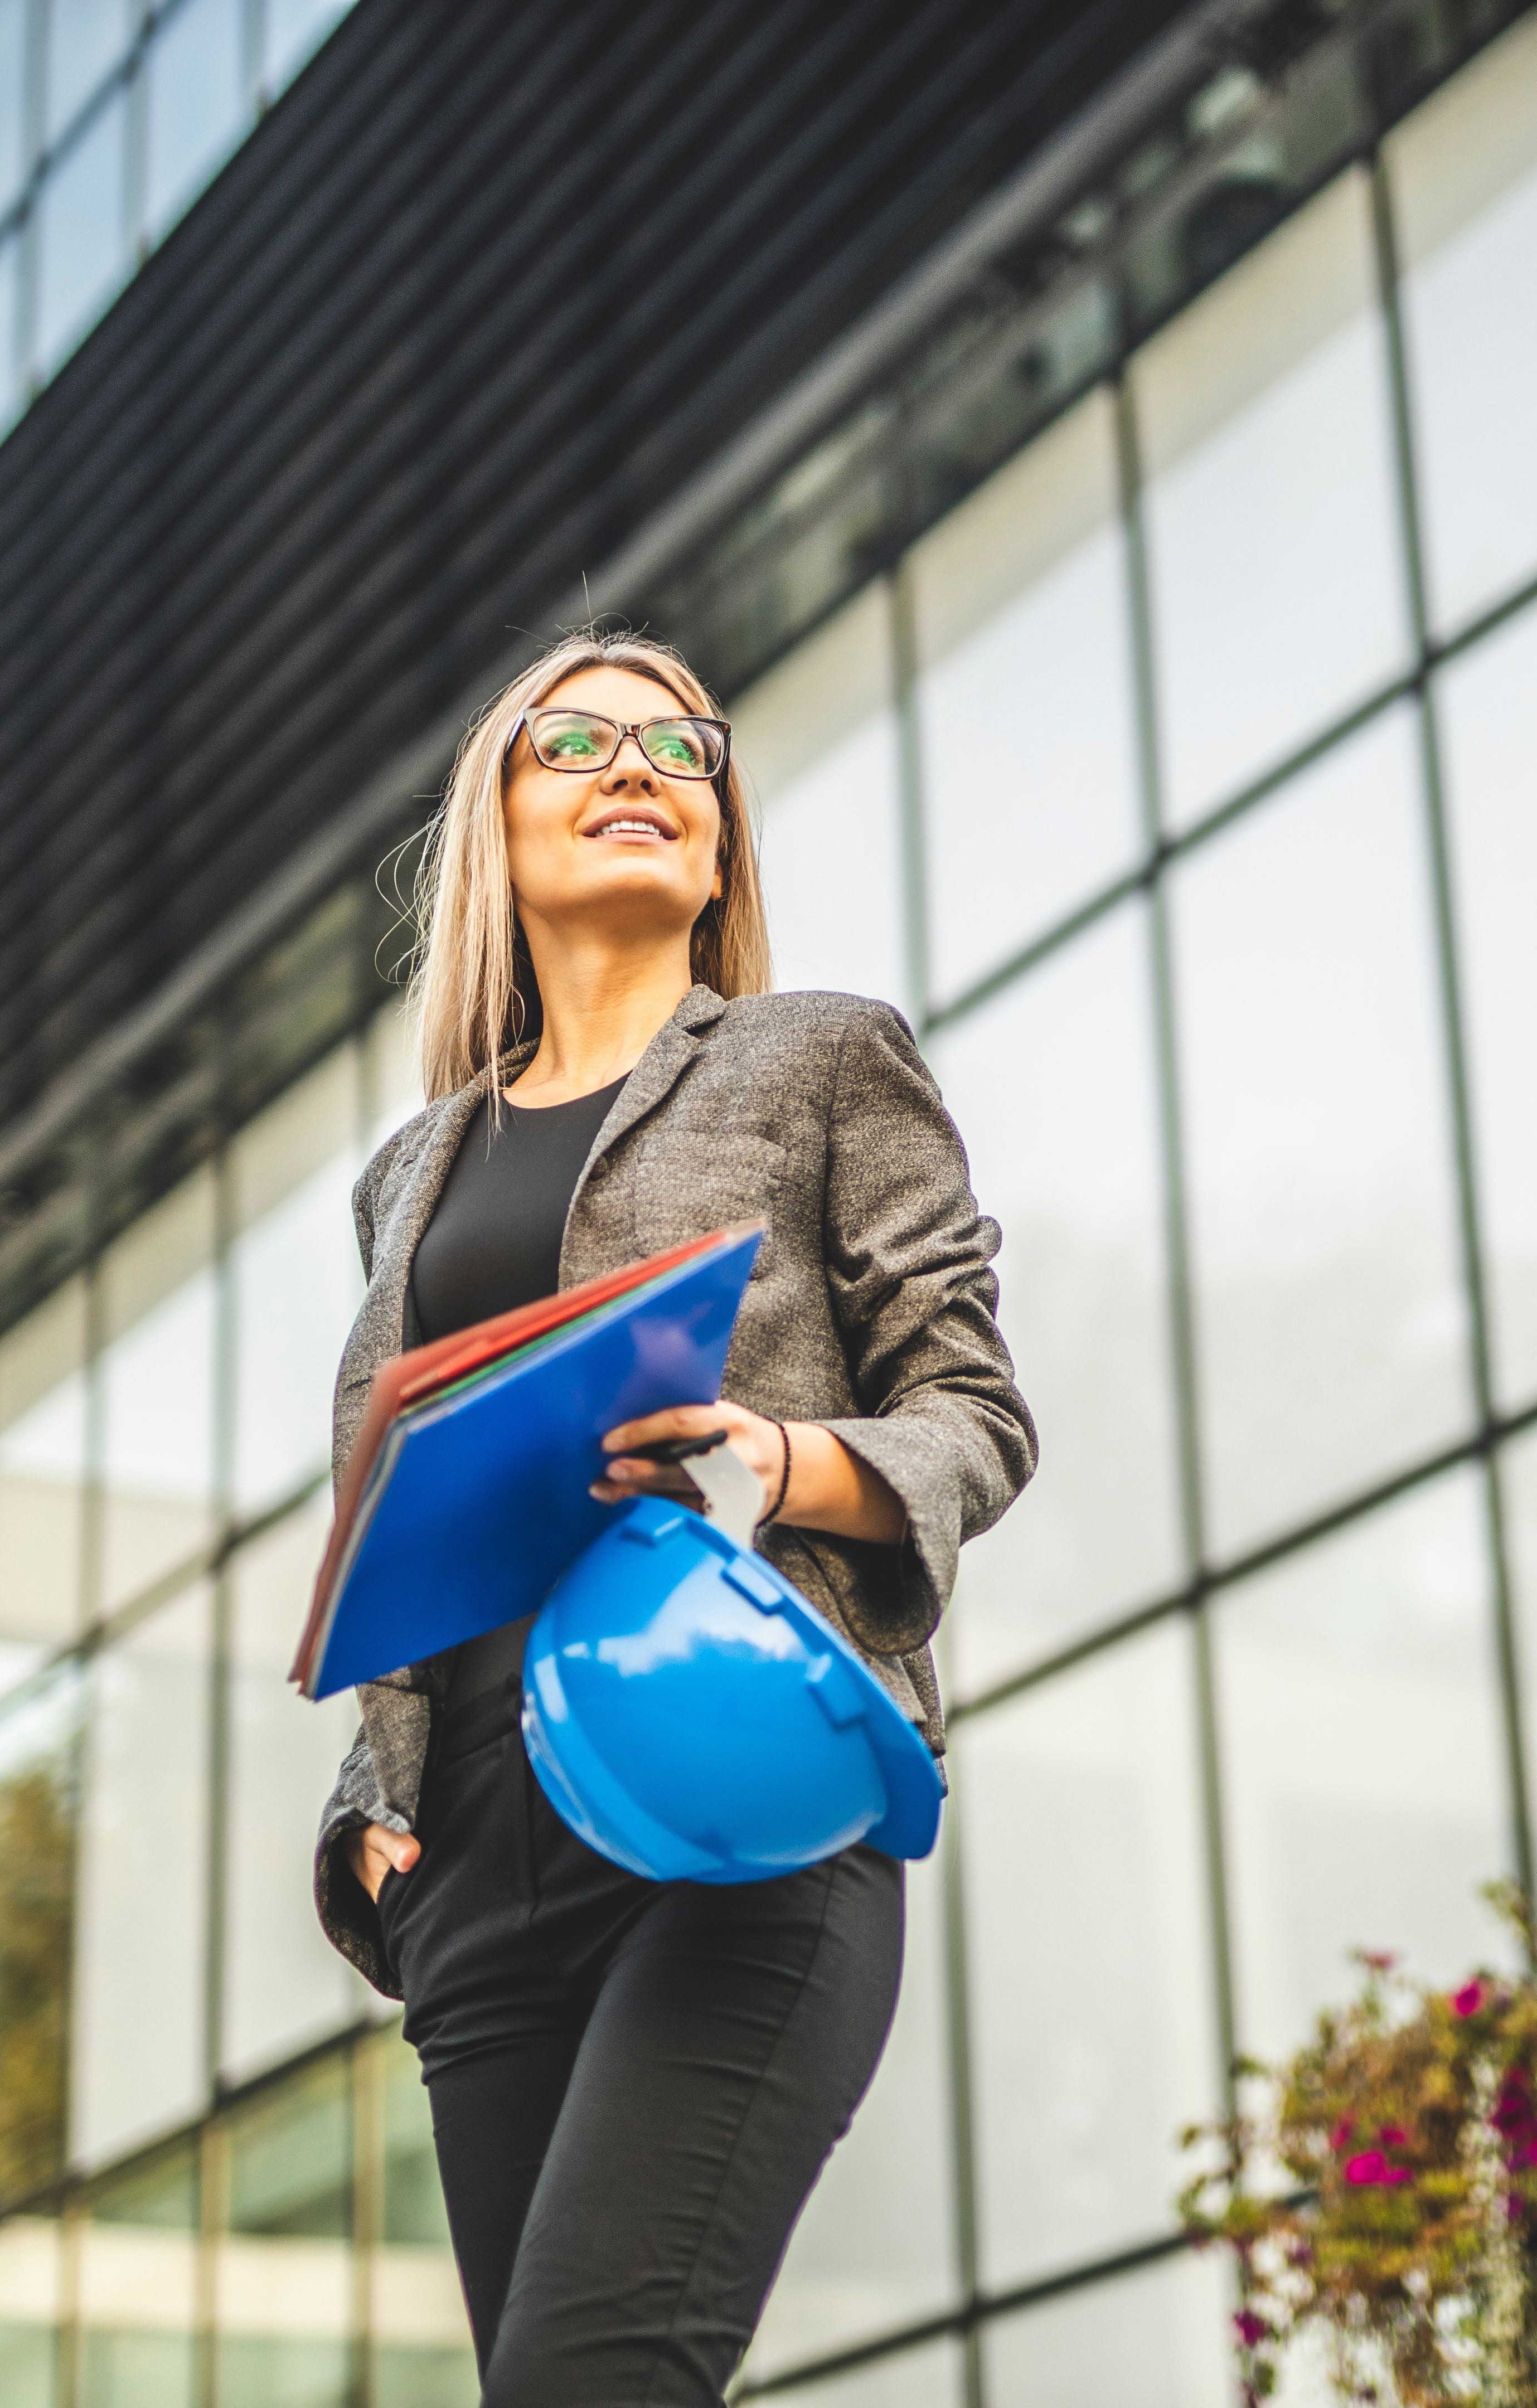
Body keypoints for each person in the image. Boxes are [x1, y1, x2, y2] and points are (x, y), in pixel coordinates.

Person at [308, 626, 1033, 2402]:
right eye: (579, 742)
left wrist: (773, 1461)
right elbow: (415, 1519)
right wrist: (373, 1817)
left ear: (718, 843)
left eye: (679, 748)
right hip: (474, 1859)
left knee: (595, 2378)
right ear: (499, 825)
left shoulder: (822, 1061)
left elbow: (978, 1416)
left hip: (736, 1799)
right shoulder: (408, 1175)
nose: (638, 766)